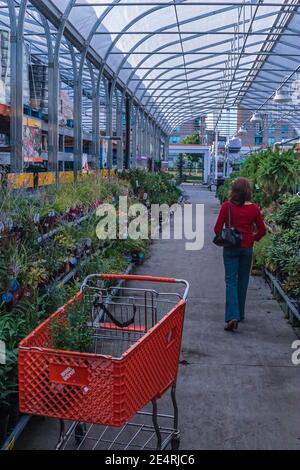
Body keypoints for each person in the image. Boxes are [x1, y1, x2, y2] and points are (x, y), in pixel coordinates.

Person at [214, 177, 266, 332]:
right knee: (243, 281)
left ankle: (232, 316)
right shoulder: (254, 208)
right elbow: (262, 230)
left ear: (233, 191)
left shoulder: (226, 206)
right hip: (247, 249)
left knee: (231, 281)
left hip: (231, 248)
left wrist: (228, 237)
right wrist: (251, 238)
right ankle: (240, 314)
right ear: (248, 192)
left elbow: (217, 229)